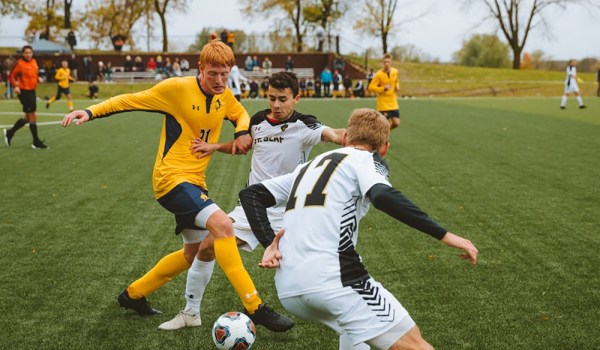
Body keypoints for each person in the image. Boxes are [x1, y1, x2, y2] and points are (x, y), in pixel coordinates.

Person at [60, 40, 293, 332]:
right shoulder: (176, 89)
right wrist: (90, 111)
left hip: (195, 182)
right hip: (170, 180)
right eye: (213, 74)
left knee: (192, 253)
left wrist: (243, 130)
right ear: (200, 69)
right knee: (223, 227)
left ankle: (133, 295)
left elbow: (240, 113)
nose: (220, 81)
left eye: (224, 73)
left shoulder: (224, 94)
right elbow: (129, 99)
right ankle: (255, 307)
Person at [239, 108, 479, 350]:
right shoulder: (366, 160)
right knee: (413, 342)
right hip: (335, 280)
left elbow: (251, 195)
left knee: (354, 331)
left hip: (288, 286)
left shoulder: (308, 167)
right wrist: (446, 235)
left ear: (345, 139)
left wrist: (271, 243)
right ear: (384, 147)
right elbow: (383, 195)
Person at [157, 71, 345, 331]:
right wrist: (215, 147)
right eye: (271, 98)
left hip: (289, 212)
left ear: (297, 98)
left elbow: (332, 134)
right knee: (207, 247)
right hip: (252, 208)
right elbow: (243, 145)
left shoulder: (305, 125)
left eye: (283, 99)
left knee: (311, 266)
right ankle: (191, 312)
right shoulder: (257, 121)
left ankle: (346, 310)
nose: (276, 105)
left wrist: (350, 138)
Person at [4, 45, 47, 149]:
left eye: (30, 52)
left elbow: (34, 74)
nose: (28, 55)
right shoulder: (20, 64)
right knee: (32, 116)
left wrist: (38, 78)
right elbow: (12, 76)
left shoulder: (34, 62)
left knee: (28, 118)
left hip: (32, 91)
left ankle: (10, 133)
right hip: (24, 92)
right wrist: (15, 86)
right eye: (26, 53)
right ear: (23, 54)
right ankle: (36, 142)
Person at [368, 53, 401, 129]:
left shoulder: (395, 71)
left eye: (388, 62)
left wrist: (397, 86)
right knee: (384, 124)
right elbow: (370, 87)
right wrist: (383, 88)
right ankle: (382, 136)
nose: (386, 64)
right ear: (382, 63)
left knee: (396, 123)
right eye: (385, 62)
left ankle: (384, 134)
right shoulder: (378, 74)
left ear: (391, 62)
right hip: (383, 103)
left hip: (393, 101)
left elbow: (396, 80)